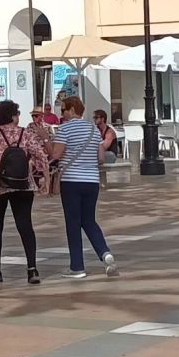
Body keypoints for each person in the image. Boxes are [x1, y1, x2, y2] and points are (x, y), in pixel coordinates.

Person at [0, 100, 50, 284]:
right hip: (23, 184)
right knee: (25, 225)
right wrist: (45, 178)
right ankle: (32, 269)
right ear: (13, 116)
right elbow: (40, 155)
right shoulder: (26, 134)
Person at [52, 98, 115, 278]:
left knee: (73, 223)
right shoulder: (93, 130)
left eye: (63, 110)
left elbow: (56, 154)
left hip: (71, 181)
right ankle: (105, 253)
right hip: (92, 181)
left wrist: (45, 140)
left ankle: (77, 266)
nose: (61, 114)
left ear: (72, 110)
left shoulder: (64, 129)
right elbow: (101, 158)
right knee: (88, 220)